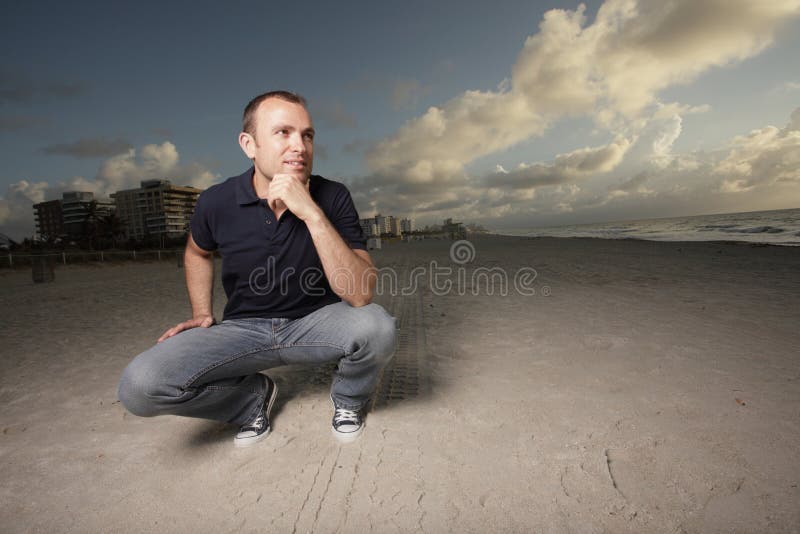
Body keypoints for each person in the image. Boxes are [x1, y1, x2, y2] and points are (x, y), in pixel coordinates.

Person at [118, 91, 396, 446]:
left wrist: (312, 213)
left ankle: (348, 400)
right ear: (249, 145)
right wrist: (201, 312)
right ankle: (250, 400)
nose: (300, 146)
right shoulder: (215, 201)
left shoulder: (333, 195)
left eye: (307, 135)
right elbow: (197, 252)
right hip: (243, 329)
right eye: (283, 133)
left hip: (316, 323)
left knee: (378, 328)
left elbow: (360, 294)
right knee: (139, 386)